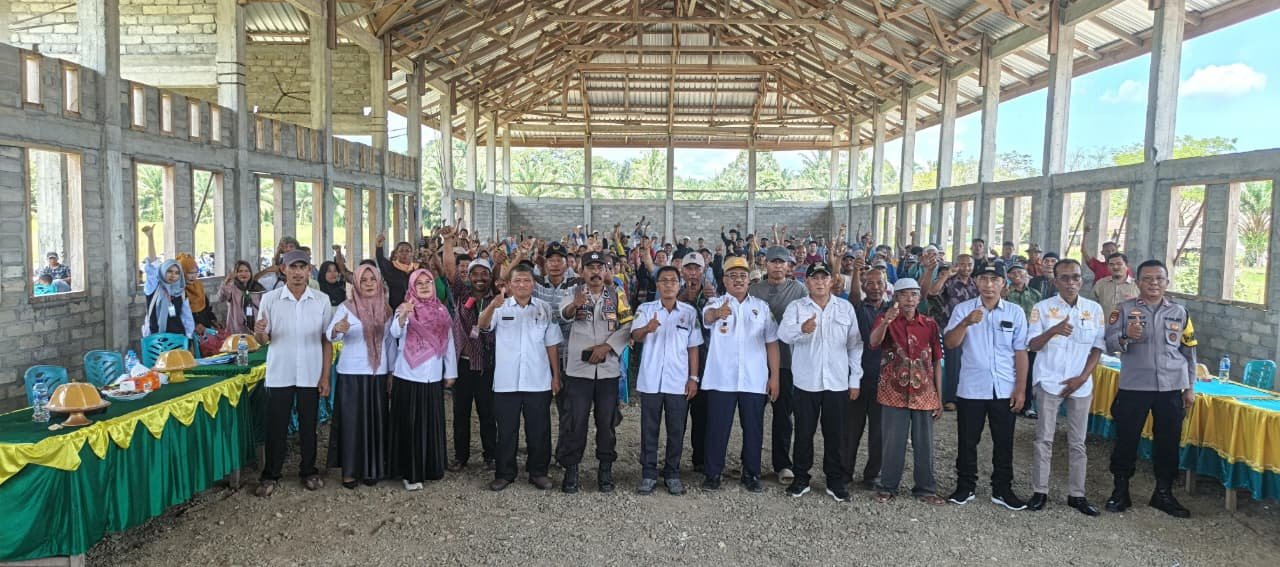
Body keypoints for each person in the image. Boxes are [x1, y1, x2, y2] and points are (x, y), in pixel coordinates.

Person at [1103, 260, 1197, 518]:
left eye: (1159, 279)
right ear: (1138, 282)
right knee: (1126, 440)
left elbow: (1189, 352)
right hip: (1135, 387)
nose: (1153, 283)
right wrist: (1126, 337)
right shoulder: (1123, 310)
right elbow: (1109, 344)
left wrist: (1189, 388)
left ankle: (1163, 493)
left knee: (1168, 442)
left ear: (1167, 282)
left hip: (1170, 389)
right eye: (1148, 279)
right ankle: (1121, 490)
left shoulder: (1180, 312)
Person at [943, 264, 1029, 510]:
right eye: (984, 279)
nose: (989, 284)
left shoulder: (1015, 312)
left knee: (1004, 441)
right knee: (968, 440)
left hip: (1004, 388)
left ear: (1004, 283)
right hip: (972, 388)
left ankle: (1002, 489)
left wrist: (1021, 389)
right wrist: (966, 323)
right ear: (976, 282)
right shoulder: (964, 309)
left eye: (994, 279)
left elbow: (1020, 351)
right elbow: (950, 343)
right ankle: (965, 486)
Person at [777, 261, 863, 502]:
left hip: (836, 382)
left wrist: (854, 379)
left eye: (824, 278)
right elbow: (783, 334)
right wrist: (801, 330)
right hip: (806, 382)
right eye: (814, 278)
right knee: (804, 432)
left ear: (831, 281)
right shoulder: (797, 307)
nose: (819, 282)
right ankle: (801, 478)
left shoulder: (845, 308)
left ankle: (834, 480)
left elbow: (855, 345)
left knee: (835, 434)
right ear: (807, 282)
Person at [1025, 259, 1104, 515]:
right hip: (1049, 380)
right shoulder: (1042, 308)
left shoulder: (1094, 309)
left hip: (1080, 383)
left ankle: (1077, 494)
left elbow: (1097, 348)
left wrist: (1083, 377)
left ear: (1082, 280)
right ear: (1056, 281)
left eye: (1076, 277)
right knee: (1044, 439)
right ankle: (1040, 491)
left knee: (1078, 442)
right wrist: (1054, 331)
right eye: (1065, 278)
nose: (1071, 283)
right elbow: (1032, 345)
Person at [253, 249, 333, 497]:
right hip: (280, 372)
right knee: (275, 425)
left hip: (310, 371)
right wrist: (259, 332)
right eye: (293, 267)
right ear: (283, 270)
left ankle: (308, 470)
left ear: (309, 270)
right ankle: (271, 474)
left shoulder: (321, 300)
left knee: (309, 425)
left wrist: (325, 376)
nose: (298, 273)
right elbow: (263, 339)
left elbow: (326, 340)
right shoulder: (270, 300)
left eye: (303, 267)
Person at [479, 264, 563, 491]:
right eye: (517, 281)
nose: (522, 285)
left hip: (538, 380)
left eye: (526, 280)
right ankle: (505, 473)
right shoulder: (499, 306)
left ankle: (538, 472)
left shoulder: (544, 309)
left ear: (533, 284)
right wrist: (490, 308)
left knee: (539, 430)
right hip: (506, 381)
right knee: (506, 430)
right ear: (509, 285)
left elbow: (552, 344)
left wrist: (556, 376)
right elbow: (482, 327)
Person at [701, 256, 781, 493]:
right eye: (732, 276)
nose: (738, 280)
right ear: (724, 279)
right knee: (717, 428)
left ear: (749, 281)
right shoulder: (714, 303)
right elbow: (706, 318)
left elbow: (772, 343)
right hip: (721, 379)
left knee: (754, 428)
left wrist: (774, 376)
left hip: (754, 380)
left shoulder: (761, 307)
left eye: (742, 276)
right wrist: (717, 314)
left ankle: (751, 473)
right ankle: (713, 474)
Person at [556, 251, 634, 494]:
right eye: (590, 267)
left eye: (600, 267)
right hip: (579, 371)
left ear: (606, 271)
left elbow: (628, 325)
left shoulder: (617, 295)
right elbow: (563, 315)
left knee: (607, 421)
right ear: (582, 271)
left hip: (608, 370)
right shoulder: (573, 293)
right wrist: (573, 307)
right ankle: (571, 470)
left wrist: (607, 347)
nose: (595, 271)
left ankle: (605, 469)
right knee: (574, 422)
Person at [868, 278, 945, 505]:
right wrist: (885, 323)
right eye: (904, 295)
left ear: (919, 298)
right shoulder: (886, 319)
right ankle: (887, 486)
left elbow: (937, 360)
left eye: (913, 294)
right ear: (896, 298)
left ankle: (925, 488)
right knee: (893, 441)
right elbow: (873, 343)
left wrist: (940, 397)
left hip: (924, 393)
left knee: (924, 444)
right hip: (894, 391)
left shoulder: (929, 324)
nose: (909, 299)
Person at [631, 265, 703, 496]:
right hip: (651, 380)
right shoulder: (645, 309)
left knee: (676, 429)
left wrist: (693, 378)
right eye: (664, 281)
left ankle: (672, 473)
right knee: (649, 429)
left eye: (673, 280)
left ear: (679, 284)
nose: (669, 284)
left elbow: (693, 348)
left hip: (678, 381)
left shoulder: (689, 313)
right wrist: (647, 328)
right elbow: (634, 336)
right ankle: (649, 473)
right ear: (658, 285)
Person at [388, 269, 457, 491]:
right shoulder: (405, 307)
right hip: (408, 375)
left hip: (433, 376)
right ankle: (410, 473)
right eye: (420, 284)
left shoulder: (441, 310)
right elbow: (395, 333)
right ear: (412, 287)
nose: (426, 286)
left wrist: (450, 372)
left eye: (428, 282)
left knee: (430, 424)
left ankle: (431, 468)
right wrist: (404, 315)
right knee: (410, 426)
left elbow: (448, 341)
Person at [326, 264, 392, 489]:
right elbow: (330, 335)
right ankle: (350, 471)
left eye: (372, 280)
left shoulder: (386, 309)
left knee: (376, 421)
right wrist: (338, 329)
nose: (369, 284)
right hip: (352, 373)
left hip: (377, 373)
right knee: (352, 424)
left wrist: (391, 372)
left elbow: (390, 343)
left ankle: (372, 469)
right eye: (364, 281)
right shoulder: (346, 307)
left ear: (379, 282)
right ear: (356, 284)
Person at [748, 246, 807, 485]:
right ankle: (749, 462)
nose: (778, 266)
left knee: (783, 416)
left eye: (782, 262)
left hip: (787, 363)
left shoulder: (799, 290)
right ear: (766, 264)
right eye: (773, 262)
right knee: (753, 415)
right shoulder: (754, 290)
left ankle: (782, 464)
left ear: (788, 266)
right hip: (756, 361)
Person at [441, 245, 500, 472]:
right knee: (460, 414)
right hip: (463, 365)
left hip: (486, 366)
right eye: (474, 273)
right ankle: (461, 457)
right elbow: (448, 269)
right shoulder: (461, 294)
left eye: (484, 274)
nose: (479, 278)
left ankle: (491, 456)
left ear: (489, 277)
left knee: (488, 413)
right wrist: (448, 242)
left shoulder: (496, 299)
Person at [844, 265, 887, 490]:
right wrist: (855, 273)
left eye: (879, 282)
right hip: (858, 378)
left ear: (886, 285)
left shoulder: (893, 310)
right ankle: (845, 472)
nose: (875, 287)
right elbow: (852, 295)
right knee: (851, 429)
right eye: (869, 283)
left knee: (878, 432)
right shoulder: (857, 308)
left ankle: (873, 475)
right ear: (863, 286)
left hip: (884, 380)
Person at [678, 252, 717, 472]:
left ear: (703, 270)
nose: (693, 272)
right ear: (682, 270)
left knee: (702, 413)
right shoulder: (672, 289)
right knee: (677, 414)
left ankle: (700, 459)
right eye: (689, 268)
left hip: (705, 359)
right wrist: (683, 297)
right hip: (678, 360)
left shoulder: (713, 293)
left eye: (697, 268)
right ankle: (673, 460)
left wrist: (708, 300)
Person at [928, 254, 977, 410]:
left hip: (971, 329)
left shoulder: (975, 284)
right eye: (962, 264)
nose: (966, 267)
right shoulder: (949, 281)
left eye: (969, 264)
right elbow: (932, 292)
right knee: (953, 363)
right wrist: (946, 275)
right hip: (949, 327)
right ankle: (950, 398)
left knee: (969, 362)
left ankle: (967, 395)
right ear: (956, 265)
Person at [140, 226, 195, 339]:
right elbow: (152, 266)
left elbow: (187, 317)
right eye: (169, 271)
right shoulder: (154, 288)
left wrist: (188, 337)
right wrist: (150, 238)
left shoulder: (181, 292)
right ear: (163, 271)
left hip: (177, 339)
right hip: (155, 340)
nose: (173, 275)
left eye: (176, 273)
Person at [1004, 263, 1041, 419]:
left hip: (1030, 339)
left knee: (1029, 372)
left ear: (1027, 275)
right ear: (1008, 276)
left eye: (1020, 271)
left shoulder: (1035, 294)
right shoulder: (1004, 293)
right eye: (1013, 272)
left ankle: (1027, 405)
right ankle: (1007, 401)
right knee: (1009, 371)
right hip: (1008, 338)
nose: (1017, 274)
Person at [219, 260, 266, 335]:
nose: (243, 274)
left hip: (255, 327)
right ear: (235, 274)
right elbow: (222, 297)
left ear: (250, 273)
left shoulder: (257, 287)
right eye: (240, 271)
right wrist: (227, 280)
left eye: (247, 271)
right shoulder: (232, 287)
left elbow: (264, 307)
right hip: (236, 328)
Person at [376, 232, 417, 309]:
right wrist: (379, 246)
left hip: (415, 307)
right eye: (401, 251)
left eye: (407, 251)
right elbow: (380, 260)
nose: (404, 254)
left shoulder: (417, 269)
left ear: (412, 254)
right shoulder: (391, 267)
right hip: (397, 307)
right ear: (396, 254)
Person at [1093, 253, 1139, 317]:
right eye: (1111, 265)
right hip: (1105, 325)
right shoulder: (1100, 284)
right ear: (1108, 267)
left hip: (1129, 326)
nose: (1115, 267)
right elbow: (1091, 306)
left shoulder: (1137, 285)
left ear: (1127, 266)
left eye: (1119, 264)